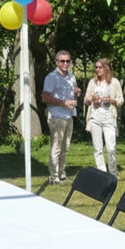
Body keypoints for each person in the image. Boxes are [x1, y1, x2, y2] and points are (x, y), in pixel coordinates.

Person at [42, 50, 81, 185]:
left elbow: (73, 90)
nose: (65, 63)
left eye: (68, 61)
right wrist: (64, 102)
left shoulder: (71, 77)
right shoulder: (51, 77)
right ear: (57, 62)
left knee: (65, 147)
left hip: (69, 115)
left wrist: (77, 91)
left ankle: (62, 173)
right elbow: (45, 97)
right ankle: (53, 176)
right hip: (56, 115)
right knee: (56, 146)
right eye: (62, 61)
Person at [84, 58, 125, 176]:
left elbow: (121, 100)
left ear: (106, 68)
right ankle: (102, 172)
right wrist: (92, 100)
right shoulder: (92, 82)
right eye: (96, 67)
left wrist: (111, 100)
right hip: (95, 117)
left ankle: (113, 172)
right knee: (98, 148)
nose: (97, 70)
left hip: (109, 117)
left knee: (111, 147)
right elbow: (86, 100)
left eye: (100, 67)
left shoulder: (114, 82)